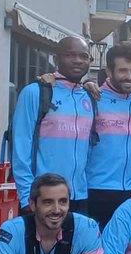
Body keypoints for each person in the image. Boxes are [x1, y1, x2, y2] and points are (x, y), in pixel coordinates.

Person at [10, 36, 97, 211]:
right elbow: (20, 147)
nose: (78, 61)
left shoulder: (89, 96)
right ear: (56, 59)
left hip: (78, 196)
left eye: (83, 56)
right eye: (70, 55)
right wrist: (27, 198)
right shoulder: (35, 92)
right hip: (44, 197)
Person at [86, 41, 131, 230]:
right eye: (123, 71)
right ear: (109, 71)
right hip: (98, 189)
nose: (129, 77)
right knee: (96, 253)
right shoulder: (93, 98)